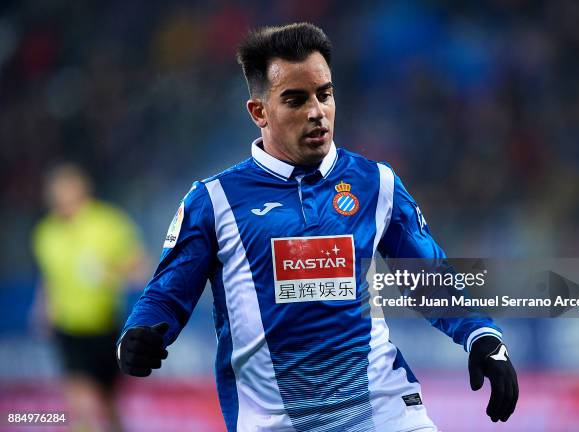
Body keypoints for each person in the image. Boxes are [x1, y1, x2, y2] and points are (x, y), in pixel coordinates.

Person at [117, 23, 518, 431]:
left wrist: (482, 336)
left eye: (324, 94)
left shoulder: (375, 183)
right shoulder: (213, 201)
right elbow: (165, 298)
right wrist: (139, 334)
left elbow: (430, 279)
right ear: (259, 112)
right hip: (275, 423)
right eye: (295, 99)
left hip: (384, 412)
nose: (316, 112)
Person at [32, 163, 146, 432]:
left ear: (82, 190)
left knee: (107, 405)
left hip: (105, 327)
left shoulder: (108, 223)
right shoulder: (45, 233)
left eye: (68, 191)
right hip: (69, 330)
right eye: (57, 193)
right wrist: (43, 309)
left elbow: (140, 268)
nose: (62, 199)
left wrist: (108, 272)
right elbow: (50, 278)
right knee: (83, 402)